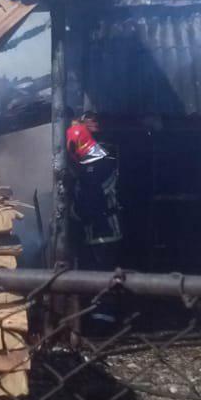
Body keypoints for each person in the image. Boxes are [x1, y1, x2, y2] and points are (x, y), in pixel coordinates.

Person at [66, 117, 124, 324]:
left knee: (102, 275)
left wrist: (73, 213)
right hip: (101, 230)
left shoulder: (95, 168)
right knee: (100, 274)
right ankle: (100, 315)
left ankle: (103, 321)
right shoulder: (100, 160)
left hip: (103, 231)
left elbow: (89, 204)